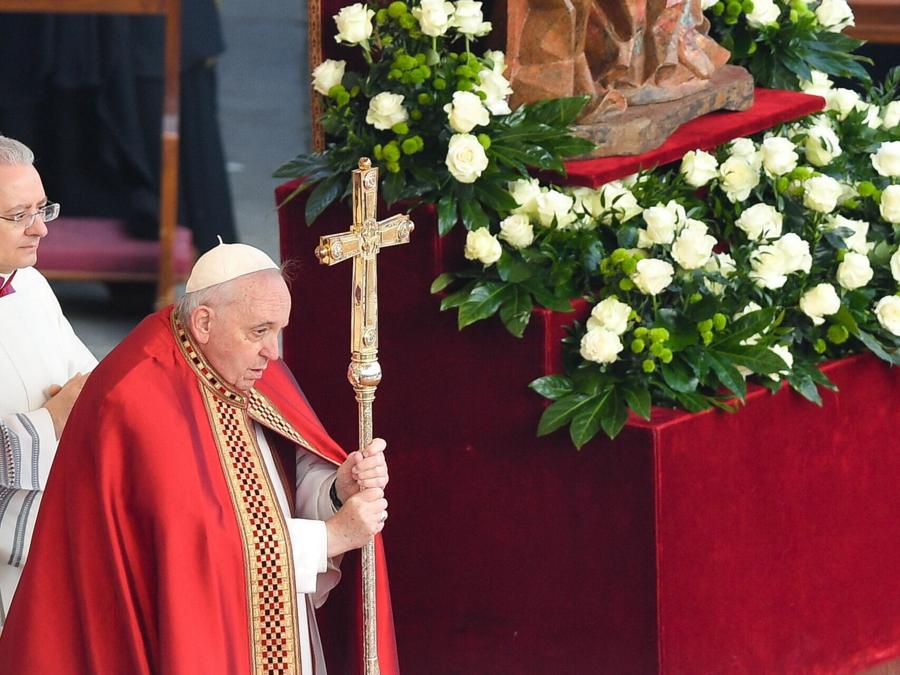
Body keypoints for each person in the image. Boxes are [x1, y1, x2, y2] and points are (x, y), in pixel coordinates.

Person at [0, 241, 399, 675]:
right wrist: (332, 538)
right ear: (204, 321)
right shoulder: (139, 397)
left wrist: (335, 491)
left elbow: (279, 474)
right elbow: (193, 551)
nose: (275, 353)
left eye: (278, 330)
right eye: (260, 331)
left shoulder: (241, 361)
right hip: (185, 640)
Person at [0, 135, 96, 626]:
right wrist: (46, 423)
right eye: (19, 215)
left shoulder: (30, 285)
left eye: (42, 209)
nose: (40, 228)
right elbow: (65, 405)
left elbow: (90, 381)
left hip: (53, 537)